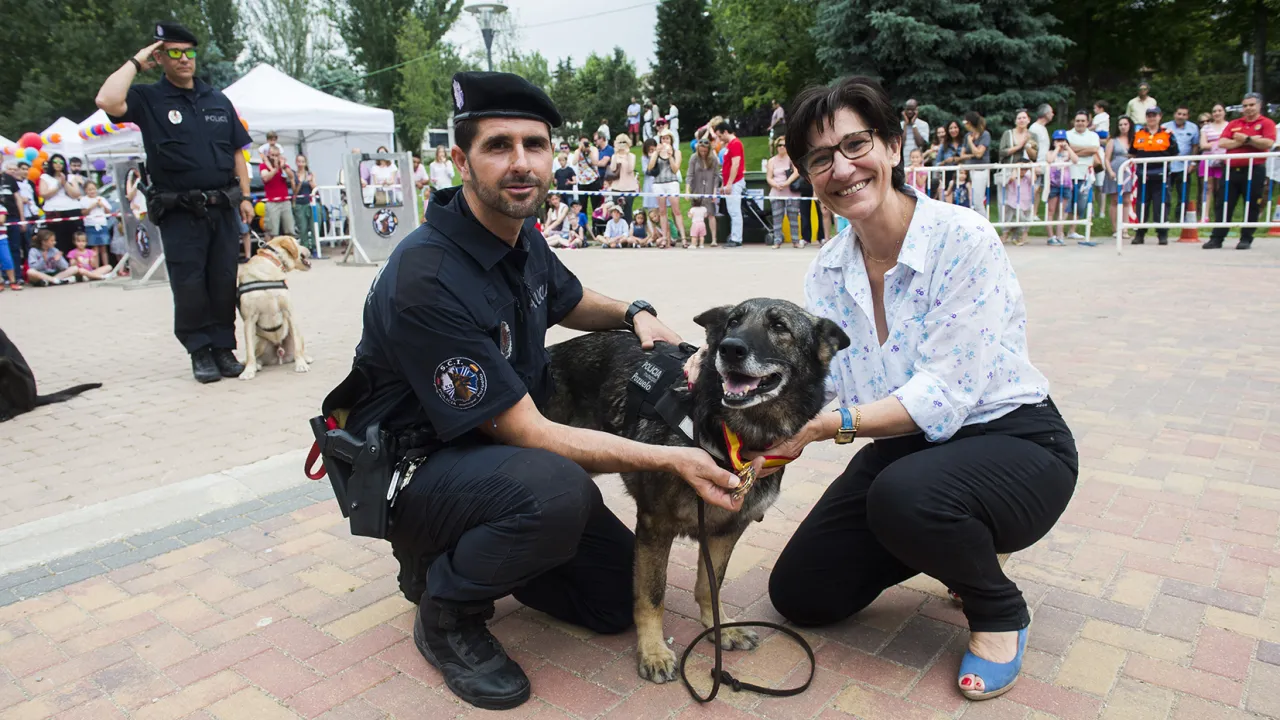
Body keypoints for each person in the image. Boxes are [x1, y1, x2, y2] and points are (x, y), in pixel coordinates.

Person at [326, 71, 743, 711]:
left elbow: (572, 301)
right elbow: (530, 434)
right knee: (556, 488)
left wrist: (637, 311)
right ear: (461, 160)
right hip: (414, 469)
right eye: (498, 146)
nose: (521, 163)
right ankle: (443, 603)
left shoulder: (519, 236)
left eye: (535, 144)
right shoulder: (428, 277)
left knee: (610, 603)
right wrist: (674, 457)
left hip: (489, 455)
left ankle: (501, 549)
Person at [742, 74, 1076, 704]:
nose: (842, 169)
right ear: (807, 177)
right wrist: (744, 400)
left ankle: (998, 610)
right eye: (819, 159)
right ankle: (951, 541)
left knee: (904, 494)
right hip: (907, 452)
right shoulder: (828, 271)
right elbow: (824, 383)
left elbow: (945, 397)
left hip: (1015, 442)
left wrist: (826, 429)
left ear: (894, 145)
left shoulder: (963, 238)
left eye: (856, 144)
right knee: (802, 595)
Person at [96, 21, 254, 382]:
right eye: (174, 52)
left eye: (189, 52)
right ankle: (199, 350)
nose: (184, 59)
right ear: (160, 57)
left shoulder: (217, 100)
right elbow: (107, 100)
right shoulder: (149, 99)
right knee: (189, 282)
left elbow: (237, 152)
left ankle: (222, 347)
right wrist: (137, 61)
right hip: (180, 211)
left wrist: (244, 196)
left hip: (221, 206)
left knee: (222, 280)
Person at [1205, 92, 1276, 250]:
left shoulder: (1266, 123)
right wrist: (1247, 142)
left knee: (1251, 204)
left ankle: (1246, 238)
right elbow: (1222, 142)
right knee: (1223, 203)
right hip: (1231, 169)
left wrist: (1246, 139)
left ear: (1259, 105)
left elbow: (1267, 143)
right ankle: (1217, 238)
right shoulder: (1234, 123)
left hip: (1254, 169)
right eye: (1245, 106)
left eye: (1251, 105)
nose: (1248, 108)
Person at [1130, 106, 1176, 245]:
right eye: (1149, 115)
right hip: (1143, 175)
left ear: (1159, 116)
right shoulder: (1138, 134)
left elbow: (1174, 152)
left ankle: (1162, 234)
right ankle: (1140, 233)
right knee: (1141, 205)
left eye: (1154, 115)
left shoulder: (1167, 134)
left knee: (1161, 205)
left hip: (1161, 175)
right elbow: (1133, 152)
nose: (1151, 118)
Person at [1064, 110, 1101, 244]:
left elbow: (1094, 149)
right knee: (1066, 204)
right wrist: (1083, 149)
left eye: (1083, 121)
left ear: (1087, 122)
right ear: (1074, 121)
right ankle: (1061, 230)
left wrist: (1073, 149)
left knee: (1080, 205)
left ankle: (1073, 230)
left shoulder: (1093, 135)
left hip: (1085, 175)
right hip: (1068, 174)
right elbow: (1065, 148)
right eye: (1078, 120)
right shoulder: (1067, 134)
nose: (1080, 123)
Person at [1161, 105, 1200, 226]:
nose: (1181, 116)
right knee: (1165, 193)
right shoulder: (1165, 127)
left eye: (1184, 114)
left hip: (1184, 166)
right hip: (1168, 166)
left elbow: (1195, 146)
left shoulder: (1193, 128)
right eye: (1179, 114)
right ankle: (1164, 217)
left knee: (1183, 194)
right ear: (1175, 114)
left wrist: (1193, 162)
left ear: (1187, 116)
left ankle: (1180, 218)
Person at [39, 154, 85, 254]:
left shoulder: (71, 177)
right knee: (57, 238)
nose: (58, 165)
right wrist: (58, 185)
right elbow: (44, 194)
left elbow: (76, 194)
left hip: (72, 209)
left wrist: (64, 183)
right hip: (54, 211)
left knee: (74, 237)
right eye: (55, 162)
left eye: (61, 163)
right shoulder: (45, 177)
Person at [766, 136, 803, 248]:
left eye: (784, 145)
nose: (782, 147)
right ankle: (777, 241)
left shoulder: (792, 159)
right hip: (776, 192)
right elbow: (769, 177)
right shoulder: (771, 161)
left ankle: (795, 241)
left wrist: (786, 183)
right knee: (777, 217)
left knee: (793, 217)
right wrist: (775, 184)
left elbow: (797, 172)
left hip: (791, 192)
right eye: (779, 145)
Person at [653, 130, 686, 246]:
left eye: (667, 138)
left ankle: (683, 238)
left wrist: (670, 156)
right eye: (663, 138)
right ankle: (664, 239)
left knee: (676, 210)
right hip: (658, 183)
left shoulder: (677, 152)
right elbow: (650, 167)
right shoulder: (657, 152)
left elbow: (675, 169)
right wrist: (656, 153)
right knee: (662, 211)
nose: (665, 140)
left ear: (671, 140)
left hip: (672, 182)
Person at [1044, 130, 1077, 245]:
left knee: (1062, 211)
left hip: (1065, 184)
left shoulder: (1067, 153)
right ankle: (1050, 236)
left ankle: (1059, 234)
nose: (1060, 143)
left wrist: (1068, 148)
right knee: (1051, 210)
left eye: (1062, 140)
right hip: (1053, 185)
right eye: (1058, 140)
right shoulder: (1050, 152)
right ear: (1053, 142)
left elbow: (1076, 160)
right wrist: (1057, 149)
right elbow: (1049, 160)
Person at [1105, 116, 1135, 238]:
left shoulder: (1133, 139)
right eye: (1120, 124)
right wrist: (1110, 171)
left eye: (1125, 124)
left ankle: (1125, 228)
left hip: (1129, 170)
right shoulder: (1113, 140)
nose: (1123, 127)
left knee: (1127, 200)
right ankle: (1115, 228)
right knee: (1115, 200)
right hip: (1116, 170)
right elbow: (1106, 158)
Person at [686, 138, 720, 247]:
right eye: (701, 151)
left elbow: (716, 176)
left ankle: (714, 239)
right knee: (696, 214)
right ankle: (695, 239)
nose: (703, 153)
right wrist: (687, 190)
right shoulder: (694, 158)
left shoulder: (713, 159)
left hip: (709, 188)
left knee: (711, 213)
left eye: (705, 151)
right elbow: (689, 174)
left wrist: (714, 192)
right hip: (697, 188)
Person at [717, 120, 746, 248]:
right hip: (730, 182)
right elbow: (727, 167)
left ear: (725, 132)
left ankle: (737, 238)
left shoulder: (735, 144)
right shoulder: (729, 145)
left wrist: (729, 183)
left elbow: (736, 164)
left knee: (735, 211)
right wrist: (725, 183)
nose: (719, 138)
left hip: (735, 182)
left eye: (720, 135)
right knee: (732, 211)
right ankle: (734, 235)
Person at [1199, 103, 1228, 222]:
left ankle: (1221, 215)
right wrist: (1218, 143)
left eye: (1219, 110)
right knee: (1207, 187)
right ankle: (1204, 215)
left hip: (1224, 159)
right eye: (1214, 111)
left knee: (1221, 188)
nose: (1217, 113)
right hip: (1208, 159)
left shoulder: (1229, 126)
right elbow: (1203, 145)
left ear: (1224, 112)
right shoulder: (1206, 128)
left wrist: (1214, 144)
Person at [1, 160, 28, 287]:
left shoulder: (9, 179)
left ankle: (17, 277)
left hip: (12, 217)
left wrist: (22, 218)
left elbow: (18, 198)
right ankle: (3, 278)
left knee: (15, 248)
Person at [959, 111, 991, 217]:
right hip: (969, 171)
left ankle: (986, 227)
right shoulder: (968, 135)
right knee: (971, 202)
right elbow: (962, 155)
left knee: (978, 202)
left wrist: (971, 142)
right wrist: (972, 154)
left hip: (980, 170)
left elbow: (979, 154)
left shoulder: (984, 135)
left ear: (969, 123)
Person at [260, 145, 296, 240]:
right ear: (268, 155)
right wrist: (275, 169)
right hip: (272, 202)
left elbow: (292, 176)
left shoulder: (283, 166)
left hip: (285, 201)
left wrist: (283, 166)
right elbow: (265, 178)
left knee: (290, 229)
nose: (275, 157)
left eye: (277, 155)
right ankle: (270, 251)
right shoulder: (263, 166)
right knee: (272, 231)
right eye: (273, 155)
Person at [79, 181, 113, 267]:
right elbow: (83, 212)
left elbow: (108, 212)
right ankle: (96, 268)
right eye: (89, 189)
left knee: (104, 247)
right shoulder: (84, 200)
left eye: (93, 189)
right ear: (86, 190)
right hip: (91, 225)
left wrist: (102, 206)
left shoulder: (102, 199)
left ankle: (106, 266)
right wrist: (92, 206)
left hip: (102, 224)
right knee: (95, 248)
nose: (92, 191)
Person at [609, 134, 639, 223]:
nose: (622, 144)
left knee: (627, 211)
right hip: (616, 187)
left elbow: (631, 169)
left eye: (624, 142)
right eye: (620, 142)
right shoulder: (614, 156)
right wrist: (615, 154)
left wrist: (627, 154)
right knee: (616, 211)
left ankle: (628, 230)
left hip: (629, 188)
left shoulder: (632, 156)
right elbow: (613, 169)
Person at [293, 154, 317, 253]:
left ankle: (315, 246)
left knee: (313, 226)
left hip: (310, 203)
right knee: (302, 227)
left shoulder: (310, 174)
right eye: (299, 161)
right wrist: (300, 182)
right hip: (299, 203)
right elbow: (294, 191)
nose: (301, 164)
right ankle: (305, 247)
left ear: (305, 163)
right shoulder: (294, 175)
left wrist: (310, 181)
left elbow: (315, 188)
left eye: (303, 161)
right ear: (296, 162)